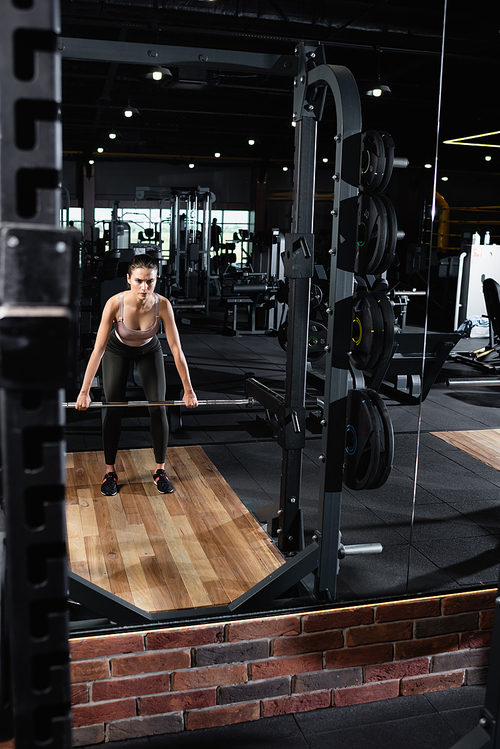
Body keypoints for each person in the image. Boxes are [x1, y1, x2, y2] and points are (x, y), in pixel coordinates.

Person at [76, 253, 198, 496]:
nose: (145, 287)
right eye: (139, 281)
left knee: (158, 406)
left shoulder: (163, 305)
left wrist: (189, 389)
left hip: (149, 350)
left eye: (150, 281)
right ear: (128, 279)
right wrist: (84, 391)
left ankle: (159, 470)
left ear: (157, 280)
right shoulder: (115, 304)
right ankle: (109, 471)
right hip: (116, 350)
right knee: (113, 407)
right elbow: (98, 349)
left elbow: (176, 349)